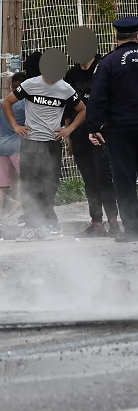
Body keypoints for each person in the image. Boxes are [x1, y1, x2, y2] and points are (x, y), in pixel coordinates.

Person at [2, 58, 85, 240]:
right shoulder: (30, 85)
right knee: (29, 186)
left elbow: (82, 110)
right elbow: (6, 103)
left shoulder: (65, 89)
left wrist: (69, 130)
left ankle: (49, 225)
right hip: (31, 143)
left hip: (52, 143)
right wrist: (16, 126)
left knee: (50, 185)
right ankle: (32, 227)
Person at [86, 17, 138, 243]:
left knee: (125, 179)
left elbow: (97, 97)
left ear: (115, 37)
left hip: (120, 129)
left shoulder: (108, 62)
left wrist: (93, 126)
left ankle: (133, 229)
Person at [64, 53, 120, 237]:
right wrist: (69, 137)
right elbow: (67, 108)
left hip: (100, 133)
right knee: (89, 180)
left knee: (104, 177)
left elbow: (113, 98)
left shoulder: (103, 66)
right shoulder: (71, 74)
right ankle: (97, 223)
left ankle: (113, 221)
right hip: (79, 133)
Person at [0, 71, 28, 241]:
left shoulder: (1, 103)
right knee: (27, 183)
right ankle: (28, 218)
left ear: (10, 87)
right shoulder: (26, 104)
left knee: (0, 187)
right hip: (20, 148)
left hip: (2, 149)